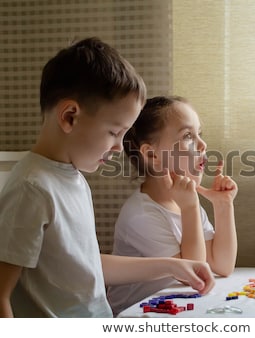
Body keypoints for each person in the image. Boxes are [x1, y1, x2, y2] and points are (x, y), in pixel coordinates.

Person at [0, 38, 214, 318]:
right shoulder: (32, 188)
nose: (118, 147)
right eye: (114, 132)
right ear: (69, 117)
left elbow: (85, 265)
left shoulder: (73, 178)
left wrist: (171, 266)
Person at [107, 96, 238, 315]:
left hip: (172, 309)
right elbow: (194, 275)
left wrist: (223, 206)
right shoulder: (142, 215)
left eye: (199, 134)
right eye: (188, 135)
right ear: (153, 155)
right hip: (134, 316)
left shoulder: (183, 201)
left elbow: (222, 265)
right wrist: (190, 207)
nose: (203, 144)